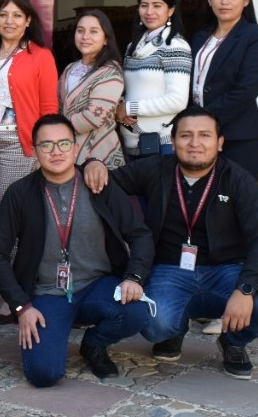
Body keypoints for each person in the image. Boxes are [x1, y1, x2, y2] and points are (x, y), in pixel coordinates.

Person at [84, 106, 258, 380]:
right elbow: (109, 182)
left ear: (220, 143)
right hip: (169, 269)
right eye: (186, 135)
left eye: (204, 135)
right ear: (173, 141)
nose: (195, 143)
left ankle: (233, 341)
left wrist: (246, 290)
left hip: (224, 270)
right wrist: (93, 164)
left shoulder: (238, 180)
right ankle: (174, 330)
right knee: (154, 324)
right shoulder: (156, 169)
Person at [0, 114, 153, 387]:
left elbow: (139, 234)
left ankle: (94, 344)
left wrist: (133, 277)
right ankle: (54, 334)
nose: (56, 152)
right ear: (34, 150)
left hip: (97, 286)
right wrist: (21, 306)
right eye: (46, 145)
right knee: (43, 374)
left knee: (137, 311)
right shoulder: (20, 193)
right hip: (47, 293)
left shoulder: (97, 183)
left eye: (64, 144)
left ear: (76, 148)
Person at [0, 0, 58, 216]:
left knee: (8, 211)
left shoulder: (41, 56)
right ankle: (5, 252)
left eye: (17, 15)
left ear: (28, 20)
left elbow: (49, 108)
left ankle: (12, 253)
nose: (9, 21)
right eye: (3, 15)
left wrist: (44, 149)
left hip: (19, 146)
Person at [189, 0, 258, 174]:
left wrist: (204, 118)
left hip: (237, 136)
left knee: (236, 199)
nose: (224, 1)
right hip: (198, 135)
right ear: (210, 0)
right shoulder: (201, 37)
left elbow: (246, 90)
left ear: (246, 1)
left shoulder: (252, 36)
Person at [116, 0, 191, 159]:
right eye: (144, 5)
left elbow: (178, 100)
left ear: (170, 10)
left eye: (157, 5)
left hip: (161, 145)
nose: (149, 12)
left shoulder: (175, 46)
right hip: (131, 143)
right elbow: (126, 88)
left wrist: (130, 107)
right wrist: (120, 106)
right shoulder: (132, 46)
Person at [57, 10, 125, 168]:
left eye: (93, 31)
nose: (85, 36)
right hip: (66, 148)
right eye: (80, 31)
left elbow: (93, 117)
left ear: (106, 39)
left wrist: (57, 129)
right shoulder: (69, 69)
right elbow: (58, 106)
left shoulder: (111, 72)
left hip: (99, 155)